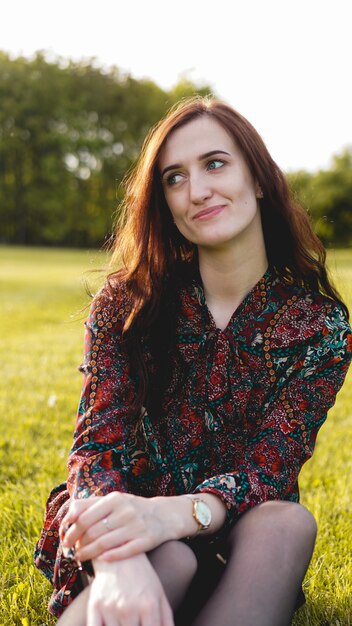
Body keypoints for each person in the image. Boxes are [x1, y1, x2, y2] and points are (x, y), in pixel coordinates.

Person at [34, 96, 352, 626]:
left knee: (288, 523)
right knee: (171, 557)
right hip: (130, 526)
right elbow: (97, 449)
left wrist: (175, 515)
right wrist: (120, 560)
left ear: (258, 179)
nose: (197, 190)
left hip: (237, 536)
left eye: (215, 163)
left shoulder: (318, 326)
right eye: (174, 178)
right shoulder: (129, 304)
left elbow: (269, 469)